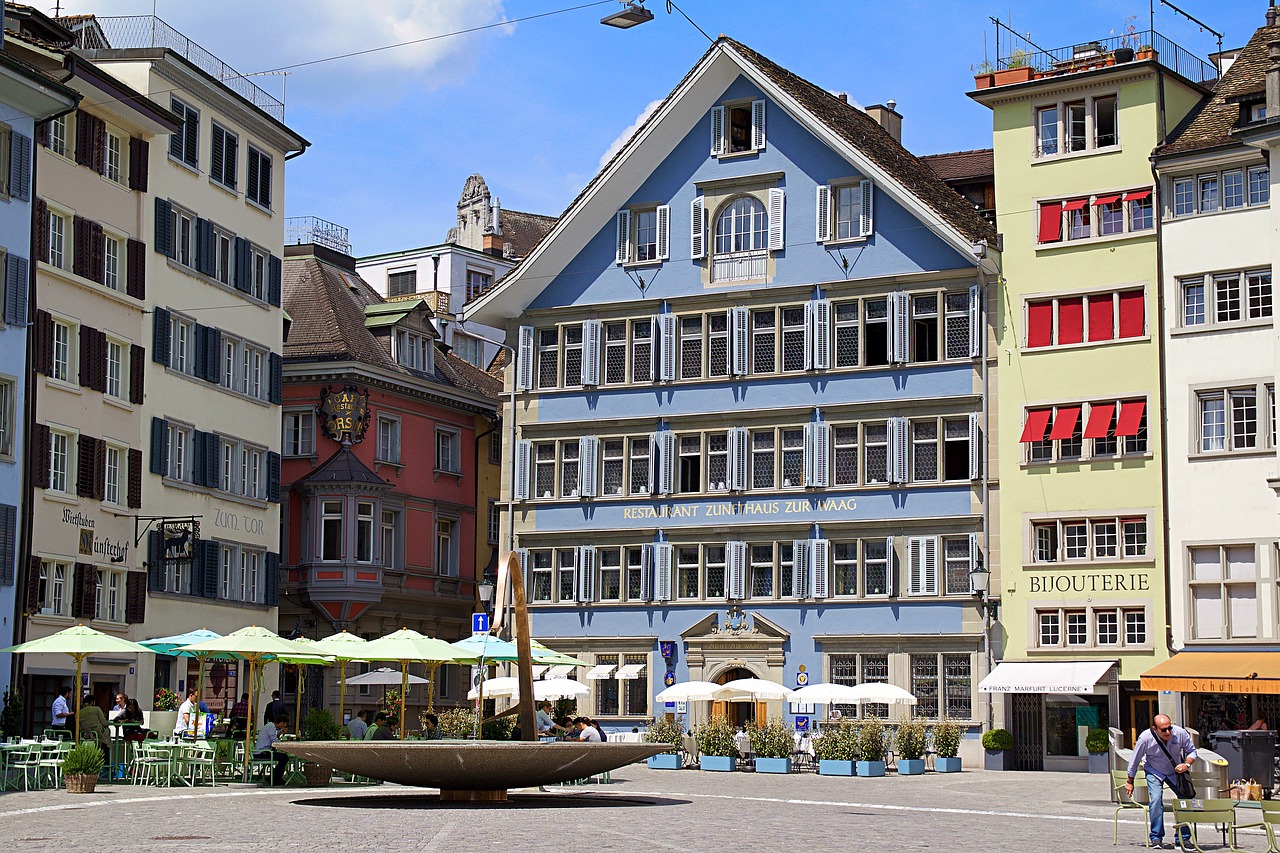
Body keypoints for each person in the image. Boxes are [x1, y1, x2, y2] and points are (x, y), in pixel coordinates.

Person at [1126, 713, 1198, 850]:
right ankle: (1156, 837)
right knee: (1156, 800)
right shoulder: (1145, 738)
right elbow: (1134, 760)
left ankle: (1183, 838)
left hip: (1175, 771)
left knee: (1185, 800)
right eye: (1163, 730)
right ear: (1155, 729)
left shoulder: (1180, 733)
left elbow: (1192, 752)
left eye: (1169, 728)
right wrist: (1130, 781)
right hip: (1154, 771)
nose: (1168, 732)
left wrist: (1186, 764)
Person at [254, 713, 289, 785]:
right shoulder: (271, 727)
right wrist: (283, 744)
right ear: (282, 722)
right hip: (261, 752)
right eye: (283, 725)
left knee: (283, 757)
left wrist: (280, 733)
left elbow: (274, 738)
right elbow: (274, 741)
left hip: (263, 751)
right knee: (284, 757)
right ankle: (275, 778)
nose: (283, 727)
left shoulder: (270, 726)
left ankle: (275, 777)